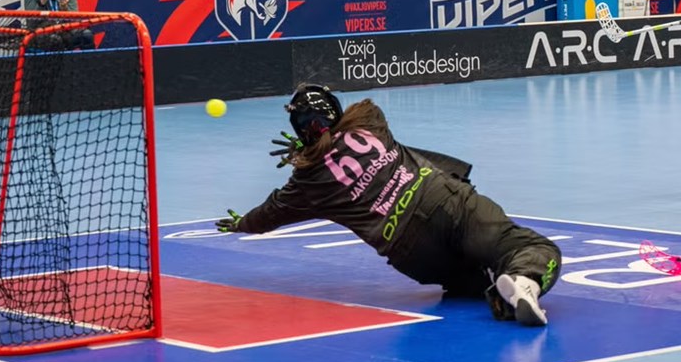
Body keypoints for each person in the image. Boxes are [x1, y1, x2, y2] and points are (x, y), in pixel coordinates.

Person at [214, 84, 563, 327]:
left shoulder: (306, 184)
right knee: (532, 248)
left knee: (470, 282)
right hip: (443, 201)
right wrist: (312, 148)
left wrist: (242, 222)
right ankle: (525, 281)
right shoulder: (370, 119)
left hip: (411, 252)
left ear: (298, 128)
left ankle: (500, 292)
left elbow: (270, 214)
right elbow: (347, 127)